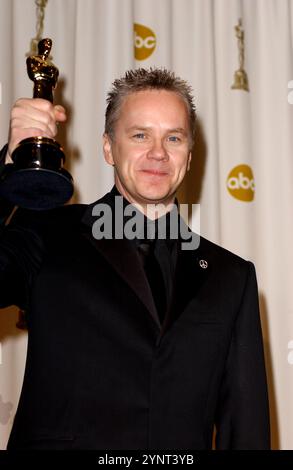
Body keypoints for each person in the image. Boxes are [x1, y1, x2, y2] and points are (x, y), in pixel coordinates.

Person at [0, 68, 270, 450]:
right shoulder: (48, 230)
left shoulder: (231, 276)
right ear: (108, 147)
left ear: (189, 157)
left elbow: (246, 432)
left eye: (173, 138)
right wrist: (10, 169)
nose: (158, 152)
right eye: (140, 135)